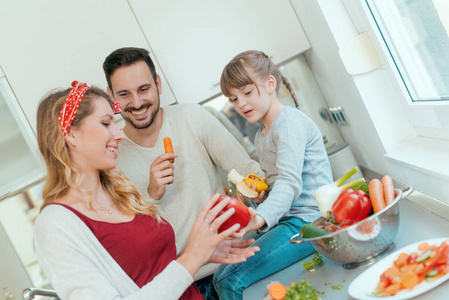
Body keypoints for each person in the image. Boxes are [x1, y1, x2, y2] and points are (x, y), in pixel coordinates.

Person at [33, 81, 260, 299]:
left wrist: (202, 253)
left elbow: (148, 272)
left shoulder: (120, 193)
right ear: (71, 134)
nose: (119, 134)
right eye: (105, 123)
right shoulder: (54, 225)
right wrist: (191, 258)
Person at [102, 47, 264, 299]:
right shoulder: (111, 157)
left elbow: (247, 173)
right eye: (124, 94)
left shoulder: (192, 117)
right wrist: (151, 194)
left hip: (234, 264)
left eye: (144, 89)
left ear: (158, 84)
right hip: (180, 284)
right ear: (112, 97)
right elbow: (127, 243)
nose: (136, 103)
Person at [213, 50, 333, 299]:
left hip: (310, 222)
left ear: (270, 84)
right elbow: (279, 183)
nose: (241, 104)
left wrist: (258, 219)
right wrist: (261, 198)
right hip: (289, 220)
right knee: (219, 274)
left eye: (246, 92)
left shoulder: (288, 122)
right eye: (233, 99)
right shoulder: (262, 133)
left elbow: (290, 183)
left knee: (227, 280)